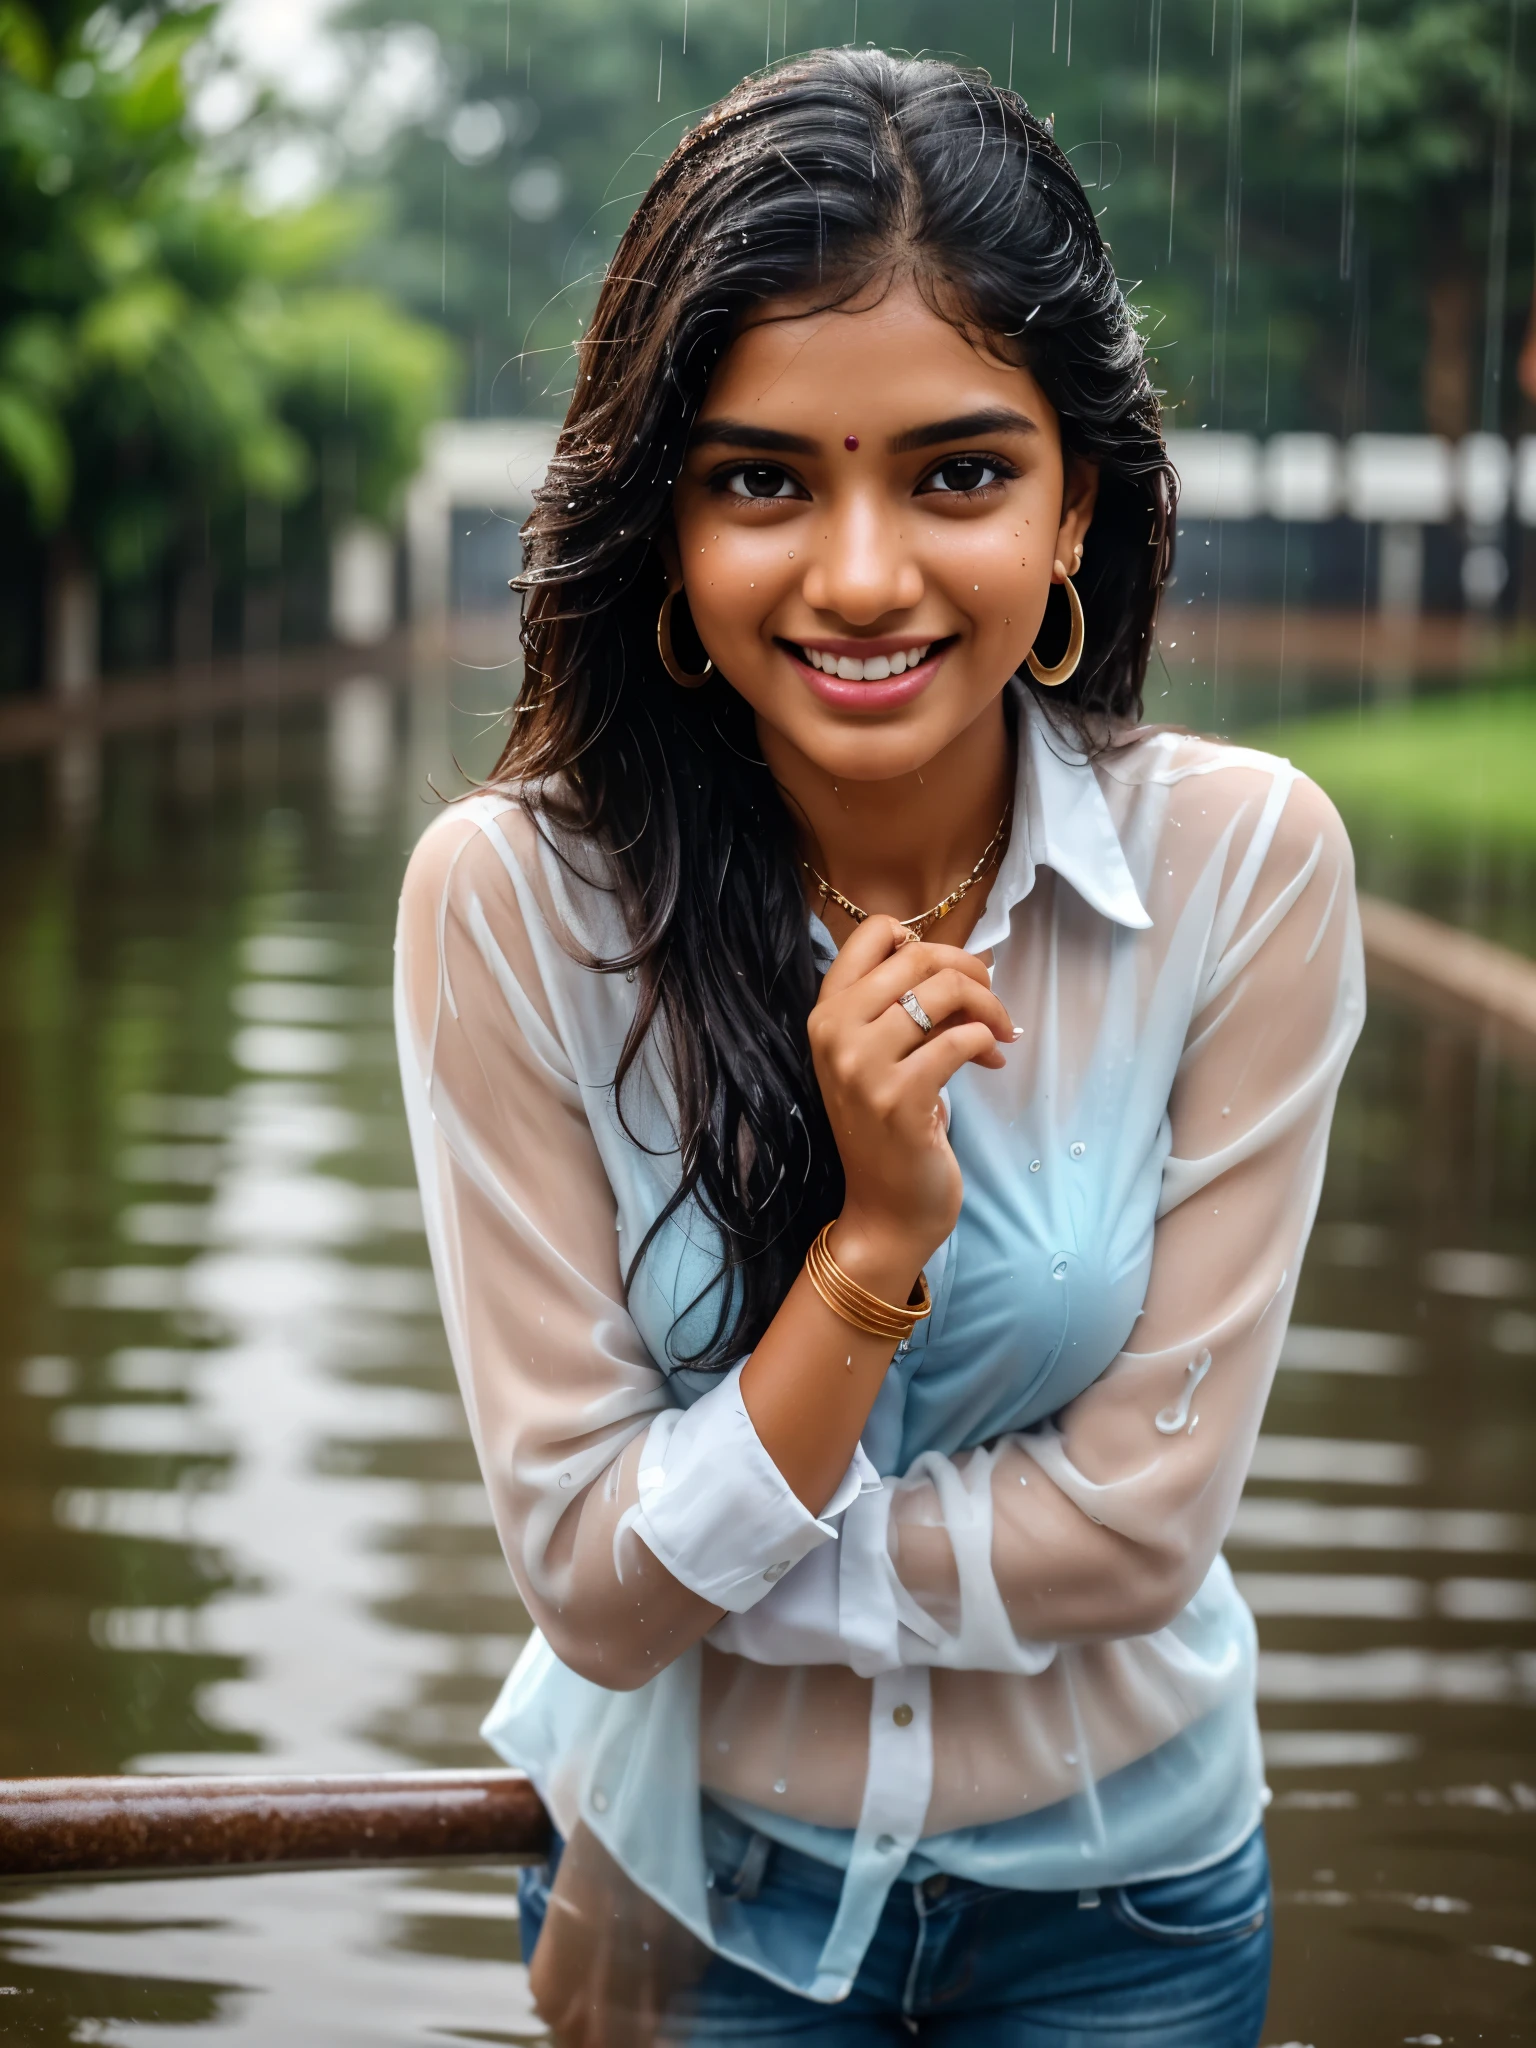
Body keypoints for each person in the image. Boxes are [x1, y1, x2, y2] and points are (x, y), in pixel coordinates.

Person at [395, 47, 1364, 2046]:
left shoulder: (1245, 874)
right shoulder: (516, 909)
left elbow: (1136, 1536)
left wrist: (709, 1543)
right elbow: (584, 1584)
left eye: (957, 471)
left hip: (1133, 1917)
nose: (858, 576)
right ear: (664, 521)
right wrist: (865, 1260)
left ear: (1078, 499)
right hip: (690, 1903)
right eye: (762, 477)